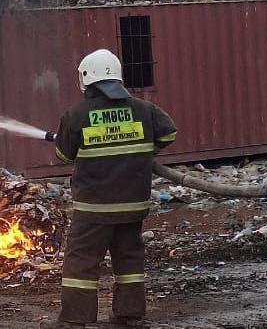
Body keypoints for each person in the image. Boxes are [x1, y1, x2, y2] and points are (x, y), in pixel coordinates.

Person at [43, 49, 177, 329]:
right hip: (132, 205)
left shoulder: (77, 114)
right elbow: (169, 133)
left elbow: (64, 157)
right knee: (129, 258)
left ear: (86, 78)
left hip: (94, 208)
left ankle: (74, 319)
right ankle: (129, 314)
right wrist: (141, 152)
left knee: (81, 261)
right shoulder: (144, 109)